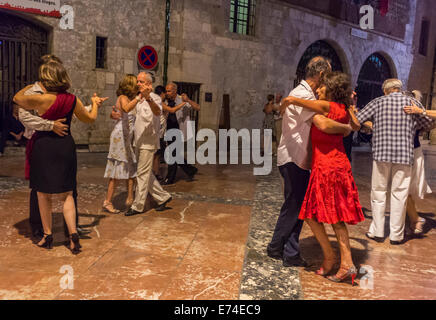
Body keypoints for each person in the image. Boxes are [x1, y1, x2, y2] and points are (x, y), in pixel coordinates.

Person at [267, 56, 353, 268]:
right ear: (322, 74)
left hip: (297, 158)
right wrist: (346, 128)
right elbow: (322, 123)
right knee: (295, 206)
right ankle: (279, 248)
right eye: (328, 76)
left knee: (296, 206)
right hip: (294, 157)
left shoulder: (302, 95)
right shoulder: (303, 94)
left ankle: (286, 250)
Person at [283, 72, 364, 285]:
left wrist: (290, 99)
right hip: (332, 165)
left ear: (329, 89)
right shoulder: (343, 108)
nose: (317, 89)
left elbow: (324, 125)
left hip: (329, 167)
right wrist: (348, 120)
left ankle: (344, 263)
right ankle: (333, 257)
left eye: (321, 87)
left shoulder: (327, 106)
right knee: (313, 214)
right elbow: (355, 126)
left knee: (333, 218)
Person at [13, 61, 101, 254]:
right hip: (65, 146)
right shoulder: (72, 99)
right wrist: (94, 104)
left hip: (44, 146)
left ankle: (47, 236)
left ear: (46, 79)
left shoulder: (42, 100)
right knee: (67, 193)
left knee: (43, 194)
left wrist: (32, 85)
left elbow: (18, 98)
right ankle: (73, 237)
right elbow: (90, 118)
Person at [355, 79, 434, 245]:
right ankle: (396, 236)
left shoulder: (378, 101)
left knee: (378, 191)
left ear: (385, 91)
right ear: (399, 89)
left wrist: (374, 125)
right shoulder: (412, 102)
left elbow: (358, 118)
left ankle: (377, 231)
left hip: (381, 154)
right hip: (404, 155)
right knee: (400, 194)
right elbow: (427, 124)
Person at [122, 72, 172, 216]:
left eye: (141, 82)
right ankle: (163, 197)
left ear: (149, 84)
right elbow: (127, 109)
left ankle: (137, 206)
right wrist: (139, 97)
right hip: (138, 141)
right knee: (145, 173)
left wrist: (148, 98)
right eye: (138, 81)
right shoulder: (139, 99)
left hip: (148, 143)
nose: (138, 84)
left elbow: (157, 113)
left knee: (142, 174)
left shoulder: (155, 98)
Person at [102, 74, 138, 214]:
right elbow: (127, 109)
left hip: (126, 136)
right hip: (119, 137)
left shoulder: (130, 99)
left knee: (130, 166)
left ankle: (130, 197)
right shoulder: (123, 98)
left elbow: (120, 114)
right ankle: (108, 201)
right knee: (117, 170)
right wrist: (138, 98)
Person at [403, 90, 433, 235]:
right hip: (407, 152)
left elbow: (429, 124)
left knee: (404, 188)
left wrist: (420, 111)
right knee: (404, 188)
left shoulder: (415, 112)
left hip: (412, 153)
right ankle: (413, 220)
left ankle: (415, 220)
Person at [162, 82, 201, 185]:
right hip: (168, 131)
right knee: (174, 154)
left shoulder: (182, 99)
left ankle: (170, 179)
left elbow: (198, 107)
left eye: (169, 91)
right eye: (166, 91)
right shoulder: (166, 101)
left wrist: (187, 100)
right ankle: (190, 170)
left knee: (172, 155)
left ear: (175, 91)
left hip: (179, 131)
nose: (167, 93)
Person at [153, 85, 168, 181]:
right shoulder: (159, 103)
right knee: (155, 155)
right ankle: (154, 173)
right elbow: (170, 110)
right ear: (162, 93)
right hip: (158, 133)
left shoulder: (158, 102)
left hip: (160, 133)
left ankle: (156, 172)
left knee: (157, 155)